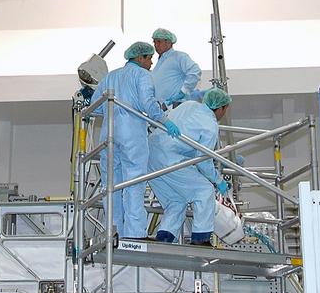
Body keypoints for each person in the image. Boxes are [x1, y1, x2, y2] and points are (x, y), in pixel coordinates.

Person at [89, 41, 180, 240]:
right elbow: (148, 103)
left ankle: (113, 232)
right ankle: (135, 234)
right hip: (132, 135)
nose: (151, 63)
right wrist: (165, 121)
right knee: (134, 184)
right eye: (149, 59)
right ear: (140, 58)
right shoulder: (142, 75)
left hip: (108, 136)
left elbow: (93, 107)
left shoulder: (110, 77)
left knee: (111, 186)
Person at [149, 87, 233, 246]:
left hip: (151, 156)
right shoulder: (210, 126)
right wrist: (218, 181)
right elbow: (203, 160)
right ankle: (200, 239)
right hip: (170, 159)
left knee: (177, 200)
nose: (225, 113)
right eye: (225, 109)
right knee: (204, 190)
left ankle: (165, 237)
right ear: (221, 108)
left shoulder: (189, 105)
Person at [150, 28, 203, 107]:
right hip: (163, 107)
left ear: (168, 42)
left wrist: (183, 91)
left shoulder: (179, 56)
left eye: (159, 41)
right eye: (154, 42)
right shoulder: (161, 61)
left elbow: (195, 71)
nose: (156, 45)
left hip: (175, 106)